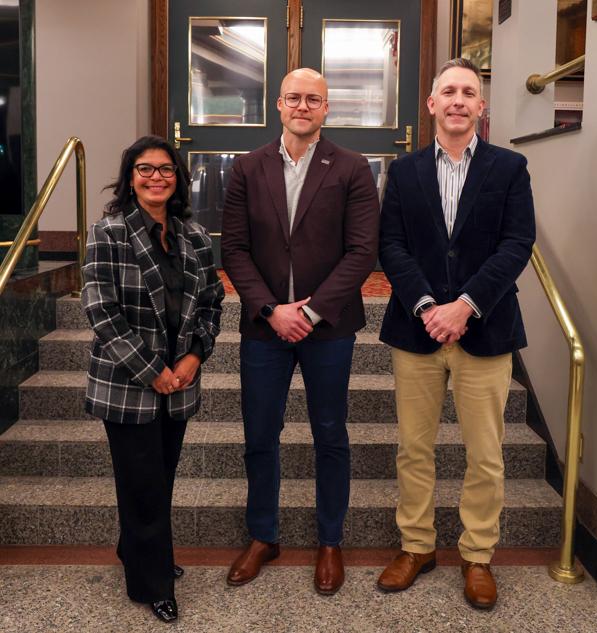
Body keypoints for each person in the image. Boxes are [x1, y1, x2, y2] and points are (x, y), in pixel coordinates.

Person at [377, 58, 535, 610]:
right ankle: (416, 547)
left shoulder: (509, 168)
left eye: (469, 92)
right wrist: (428, 307)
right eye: (449, 91)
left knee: (485, 454)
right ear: (432, 104)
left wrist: (465, 306)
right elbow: (391, 245)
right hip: (417, 330)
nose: (459, 100)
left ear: (480, 106)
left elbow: (517, 243)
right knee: (413, 450)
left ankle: (477, 554)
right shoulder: (404, 171)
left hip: (485, 331)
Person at [221, 68, 379, 595]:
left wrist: (310, 314)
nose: (303, 106)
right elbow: (234, 249)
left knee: (330, 434)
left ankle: (330, 540)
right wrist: (271, 310)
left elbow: (362, 252)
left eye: (314, 99)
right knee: (259, 435)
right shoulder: (248, 167)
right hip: (264, 328)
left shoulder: (352, 168)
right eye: (294, 98)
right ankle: (262, 536)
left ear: (326, 108)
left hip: (329, 327)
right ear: (279, 104)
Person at [82, 135, 224, 623]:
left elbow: (212, 303)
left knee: (159, 478)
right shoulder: (108, 232)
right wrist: (153, 371)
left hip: (179, 383)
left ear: (178, 178)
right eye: (145, 169)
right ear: (130, 177)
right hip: (128, 384)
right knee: (141, 483)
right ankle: (153, 583)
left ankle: (139, 549)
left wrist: (195, 357)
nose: (156, 177)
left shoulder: (195, 236)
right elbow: (101, 312)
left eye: (166, 169)